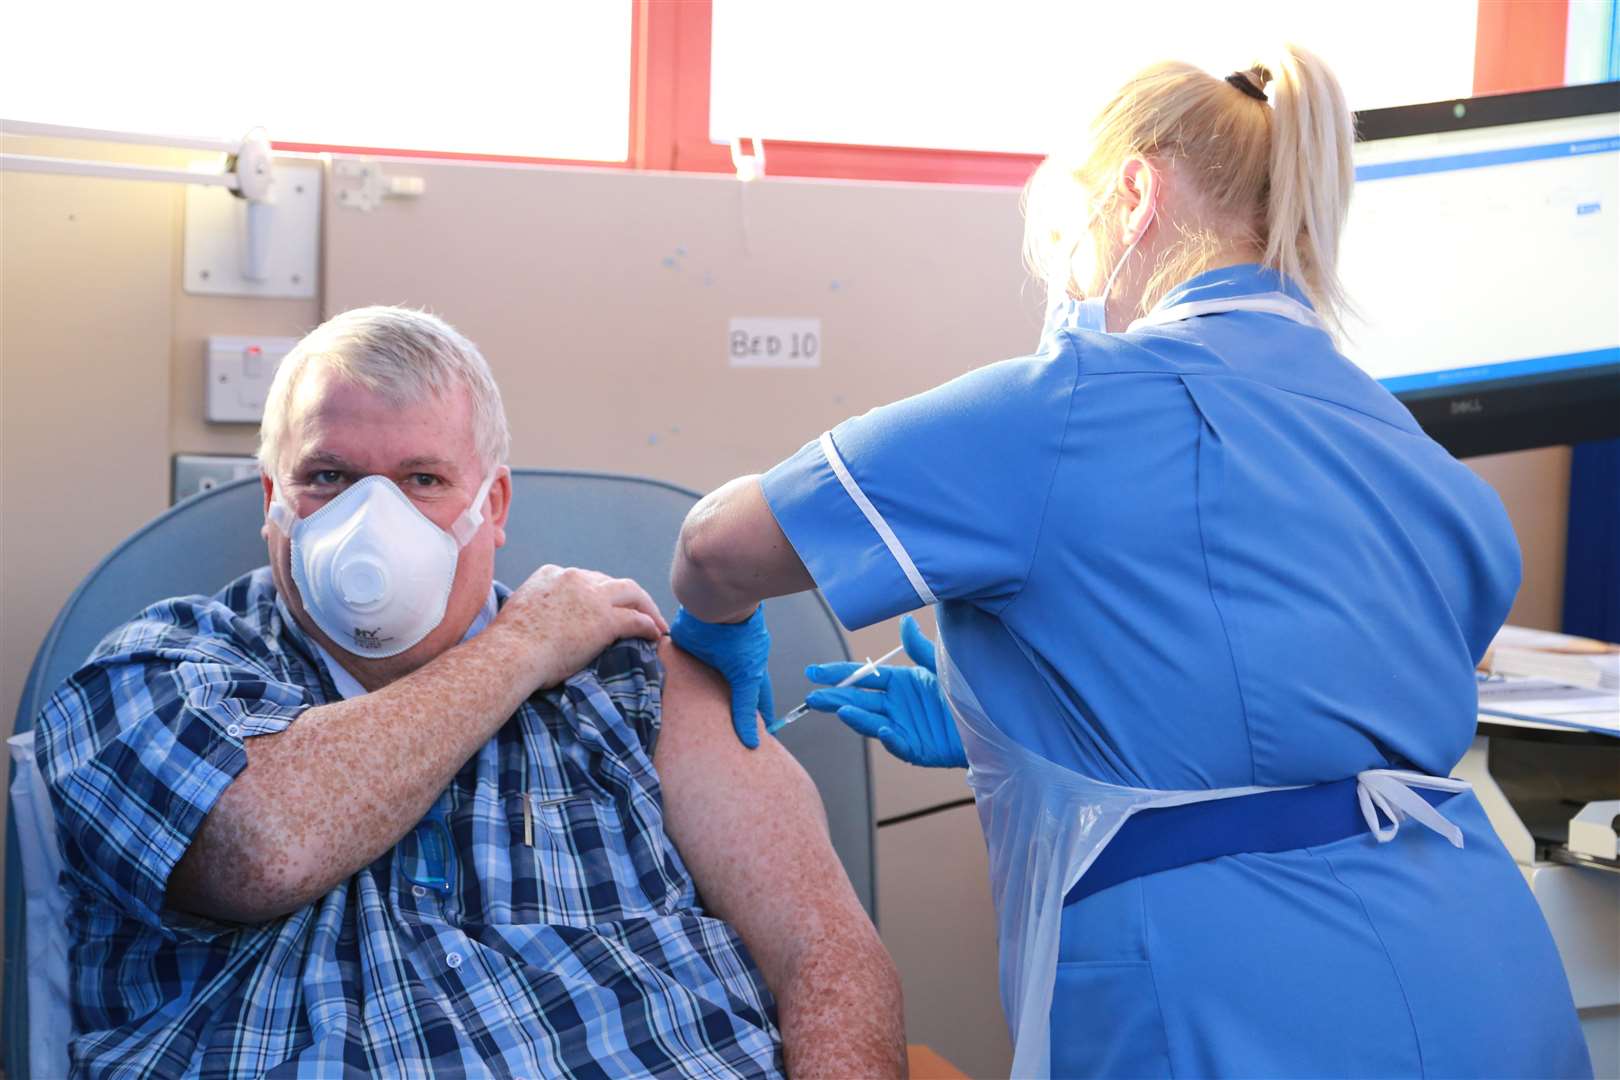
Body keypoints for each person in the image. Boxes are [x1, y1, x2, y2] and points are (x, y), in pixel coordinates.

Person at [668, 47, 1592, 1078]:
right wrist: (1003, 725)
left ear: (1135, 193)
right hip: (1490, 984)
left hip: (1237, 1010)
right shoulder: (1435, 474)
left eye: (1065, 248)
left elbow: (717, 544)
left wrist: (718, 628)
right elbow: (1281, 723)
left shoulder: (1065, 406)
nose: (1068, 287)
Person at [34, 307, 904, 1079]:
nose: (372, 521)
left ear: (492, 506)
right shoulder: (154, 674)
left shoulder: (632, 680)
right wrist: (522, 646)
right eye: (329, 477)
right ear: (273, 501)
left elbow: (826, 951)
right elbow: (268, 850)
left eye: (422, 479)